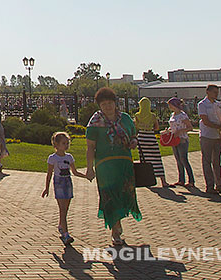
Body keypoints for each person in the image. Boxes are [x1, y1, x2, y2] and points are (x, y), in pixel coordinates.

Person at [85, 87, 141, 248]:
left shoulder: (125, 119)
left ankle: (117, 225)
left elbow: (134, 136)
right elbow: (90, 148)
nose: (108, 107)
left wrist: (134, 142)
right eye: (104, 104)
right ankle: (115, 230)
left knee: (124, 194)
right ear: (99, 106)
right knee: (110, 196)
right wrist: (90, 168)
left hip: (123, 164)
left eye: (110, 103)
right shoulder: (95, 122)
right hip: (105, 166)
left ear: (115, 103)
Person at [43, 131, 87, 245]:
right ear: (56, 145)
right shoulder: (52, 158)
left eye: (67, 143)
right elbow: (49, 174)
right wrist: (46, 188)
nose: (66, 145)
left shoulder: (69, 157)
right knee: (62, 209)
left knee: (65, 209)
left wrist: (86, 176)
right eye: (63, 143)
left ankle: (61, 226)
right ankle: (66, 234)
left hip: (68, 183)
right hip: (59, 183)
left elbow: (75, 172)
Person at [197, 84, 221, 195]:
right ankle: (210, 185)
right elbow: (205, 120)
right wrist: (219, 127)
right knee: (207, 161)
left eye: (217, 92)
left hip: (217, 136)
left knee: (217, 162)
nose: (216, 94)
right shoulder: (202, 104)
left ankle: (220, 184)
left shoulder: (218, 104)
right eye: (214, 92)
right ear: (208, 92)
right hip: (207, 135)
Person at [134, 98, 168, 187]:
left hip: (142, 137)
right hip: (150, 136)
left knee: (144, 159)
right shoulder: (152, 116)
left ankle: (146, 179)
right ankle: (163, 181)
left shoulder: (137, 115)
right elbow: (156, 127)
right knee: (156, 158)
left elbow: (135, 127)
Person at [166, 97, 195, 188]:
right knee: (178, 160)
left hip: (182, 139)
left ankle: (191, 180)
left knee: (184, 159)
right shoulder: (172, 115)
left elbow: (190, 127)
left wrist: (181, 131)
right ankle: (181, 179)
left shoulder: (183, 115)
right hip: (174, 139)